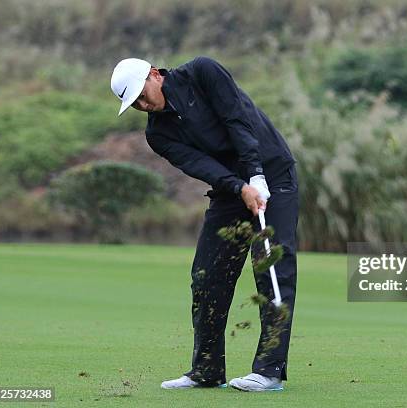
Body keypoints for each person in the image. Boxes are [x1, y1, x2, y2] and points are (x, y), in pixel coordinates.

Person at [110, 56, 298, 392]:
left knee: (272, 269)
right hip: (231, 191)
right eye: (134, 103)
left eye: (141, 94)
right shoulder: (158, 134)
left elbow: (237, 119)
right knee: (207, 277)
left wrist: (256, 173)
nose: (142, 104)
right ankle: (207, 370)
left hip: (272, 174)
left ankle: (269, 371)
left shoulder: (202, 73)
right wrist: (240, 187)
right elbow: (202, 165)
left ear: (155, 74)